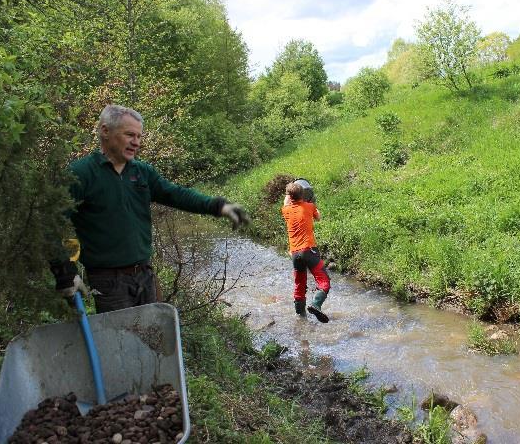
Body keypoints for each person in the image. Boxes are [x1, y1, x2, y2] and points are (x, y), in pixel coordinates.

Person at [49, 104, 249, 313]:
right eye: (129, 135)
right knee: (122, 342)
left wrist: (219, 207)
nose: (136, 142)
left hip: (145, 274)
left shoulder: (142, 172)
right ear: (105, 131)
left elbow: (176, 194)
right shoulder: (80, 174)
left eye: (139, 136)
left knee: (151, 339)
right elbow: (50, 223)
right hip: (108, 282)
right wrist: (64, 270)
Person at [281, 180, 330, 323]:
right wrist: (313, 204)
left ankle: (301, 318)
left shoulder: (286, 210)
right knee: (324, 281)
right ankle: (316, 304)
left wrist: (288, 194)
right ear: (303, 194)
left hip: (295, 254)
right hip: (309, 250)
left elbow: (286, 202)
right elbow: (319, 217)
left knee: (299, 285)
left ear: (289, 197)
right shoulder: (310, 207)